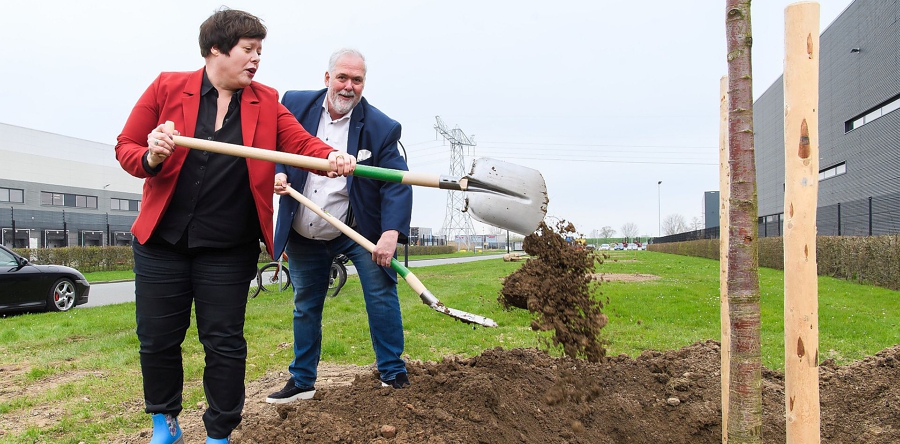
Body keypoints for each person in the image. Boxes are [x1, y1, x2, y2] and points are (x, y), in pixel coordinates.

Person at [114, 9, 356, 444]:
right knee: (157, 339)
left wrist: (330, 157)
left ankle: (218, 434)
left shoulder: (266, 100)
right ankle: (165, 423)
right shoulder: (168, 87)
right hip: (162, 243)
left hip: (228, 247)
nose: (256, 58)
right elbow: (126, 147)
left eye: (260, 50)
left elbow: (300, 142)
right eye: (248, 49)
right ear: (216, 49)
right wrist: (152, 156)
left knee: (224, 343)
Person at [265, 48, 413, 404]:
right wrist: (278, 172)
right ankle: (302, 381)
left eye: (357, 80)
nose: (348, 86)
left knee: (380, 292)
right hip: (304, 228)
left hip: (356, 229)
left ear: (364, 83)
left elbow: (397, 182)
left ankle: (392, 372)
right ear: (327, 77)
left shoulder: (380, 127)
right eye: (342, 78)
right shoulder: (294, 104)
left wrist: (390, 233)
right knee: (305, 304)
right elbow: (272, 146)